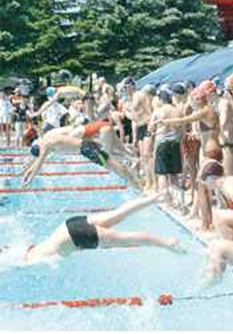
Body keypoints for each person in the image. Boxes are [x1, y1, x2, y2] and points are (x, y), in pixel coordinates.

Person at [19, 188, 185, 263]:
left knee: (127, 239)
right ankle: (156, 198)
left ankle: (167, 243)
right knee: (118, 213)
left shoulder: (31, 261)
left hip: (75, 237)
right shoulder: (29, 250)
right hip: (69, 224)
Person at [22, 132, 138, 188]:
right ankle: (135, 181)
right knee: (115, 165)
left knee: (116, 167)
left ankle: (137, 187)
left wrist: (30, 179)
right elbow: (37, 161)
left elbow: (40, 163)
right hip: (87, 145)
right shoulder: (46, 139)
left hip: (87, 149)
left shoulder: (45, 145)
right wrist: (27, 172)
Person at [149, 88, 183, 200]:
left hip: (162, 142)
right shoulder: (177, 110)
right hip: (175, 142)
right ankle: (179, 200)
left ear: (160, 99)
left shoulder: (158, 111)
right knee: (174, 173)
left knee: (162, 173)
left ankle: (166, 199)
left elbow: (150, 128)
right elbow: (181, 128)